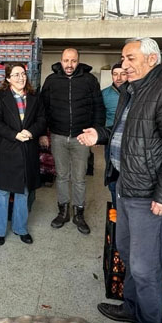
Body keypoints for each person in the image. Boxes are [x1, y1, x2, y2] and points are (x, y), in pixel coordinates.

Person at [78, 37, 162, 323]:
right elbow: (128, 134)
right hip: (125, 185)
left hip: (149, 194)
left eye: (130, 58)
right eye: (123, 58)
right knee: (127, 252)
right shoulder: (133, 91)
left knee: (145, 267)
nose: (124, 65)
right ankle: (131, 307)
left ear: (151, 59)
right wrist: (100, 135)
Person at [40, 48, 105, 235]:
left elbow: (98, 108)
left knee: (79, 178)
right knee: (62, 176)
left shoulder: (89, 80)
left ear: (78, 61)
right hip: (58, 136)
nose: (69, 65)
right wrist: (44, 133)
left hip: (81, 137)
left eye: (73, 61)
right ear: (61, 61)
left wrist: (97, 134)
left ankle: (79, 214)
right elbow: (43, 109)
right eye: (66, 60)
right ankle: (63, 212)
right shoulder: (51, 81)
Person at [0, 63, 46, 246]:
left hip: (27, 149)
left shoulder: (34, 97)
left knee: (24, 191)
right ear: (8, 78)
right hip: (7, 149)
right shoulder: (0, 97)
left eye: (23, 74)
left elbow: (42, 119)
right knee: (3, 192)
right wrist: (14, 135)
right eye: (16, 75)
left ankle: (20, 228)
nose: (21, 77)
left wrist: (30, 132)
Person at [101, 62, 128, 207]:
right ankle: (115, 207)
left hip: (130, 143)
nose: (119, 78)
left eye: (123, 74)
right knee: (112, 176)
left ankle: (125, 207)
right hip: (111, 142)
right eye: (115, 74)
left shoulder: (134, 94)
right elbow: (100, 118)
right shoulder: (104, 94)